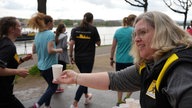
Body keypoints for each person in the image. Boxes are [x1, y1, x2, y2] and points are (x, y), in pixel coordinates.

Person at [53, 11, 192, 108]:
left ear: (163, 32)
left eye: (143, 32)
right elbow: (116, 79)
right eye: (135, 34)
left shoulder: (180, 70)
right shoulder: (151, 64)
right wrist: (76, 77)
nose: (136, 39)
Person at [28, 12, 63, 108]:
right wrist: (59, 50)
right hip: (50, 66)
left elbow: (34, 50)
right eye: (53, 22)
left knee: (50, 86)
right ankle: (37, 104)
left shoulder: (37, 34)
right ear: (48, 23)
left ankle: (47, 105)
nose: (54, 24)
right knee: (53, 87)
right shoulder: (50, 34)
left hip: (41, 66)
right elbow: (50, 50)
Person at [69, 12, 101, 108]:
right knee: (85, 80)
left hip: (78, 58)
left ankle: (86, 96)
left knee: (84, 76)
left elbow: (71, 44)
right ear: (91, 20)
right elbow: (98, 43)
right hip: (88, 58)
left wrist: (70, 56)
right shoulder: (93, 29)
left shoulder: (75, 30)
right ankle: (75, 103)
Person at [0, 17, 32, 108]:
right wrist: (18, 71)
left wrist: (22, 59)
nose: (21, 28)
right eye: (19, 26)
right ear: (12, 29)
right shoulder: (9, 46)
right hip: (3, 94)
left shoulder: (5, 42)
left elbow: (7, 64)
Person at [110, 15, 136, 106]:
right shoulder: (134, 31)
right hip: (131, 60)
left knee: (119, 81)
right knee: (134, 81)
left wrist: (111, 58)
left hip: (119, 60)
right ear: (132, 21)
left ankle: (119, 100)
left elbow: (113, 47)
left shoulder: (117, 31)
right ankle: (127, 97)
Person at [55, 23, 69, 93]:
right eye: (65, 27)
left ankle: (56, 87)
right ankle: (58, 88)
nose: (65, 29)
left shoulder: (56, 35)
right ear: (62, 28)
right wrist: (67, 44)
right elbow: (64, 46)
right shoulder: (64, 36)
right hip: (62, 55)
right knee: (62, 72)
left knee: (57, 72)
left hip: (56, 55)